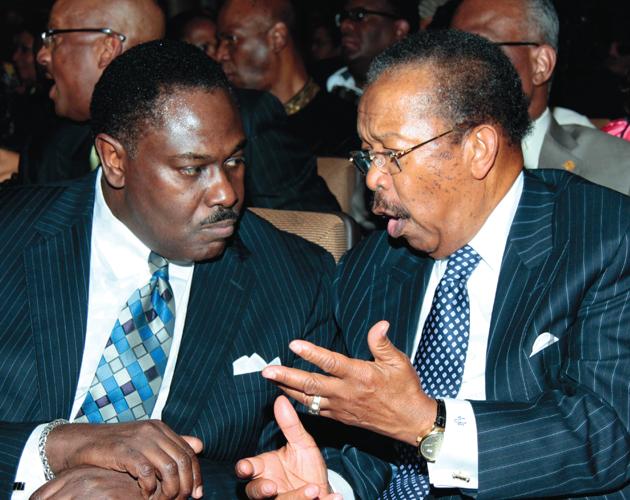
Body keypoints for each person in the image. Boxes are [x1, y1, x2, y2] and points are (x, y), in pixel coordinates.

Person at [236, 29, 630, 499]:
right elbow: (362, 436)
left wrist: (430, 424)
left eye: (392, 154)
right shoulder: (373, 265)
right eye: (368, 155)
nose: (373, 178)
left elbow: (606, 434)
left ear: (478, 149)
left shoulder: (603, 238)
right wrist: (329, 484)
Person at [0, 39, 337, 498]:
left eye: (235, 161)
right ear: (115, 160)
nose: (226, 193)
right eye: (192, 169)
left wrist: (154, 486)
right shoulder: (11, 236)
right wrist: (53, 447)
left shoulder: (296, 279)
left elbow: (301, 461)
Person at [13, 0, 339, 213]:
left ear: (107, 48)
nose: (42, 55)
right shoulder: (50, 148)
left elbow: (316, 239)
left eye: (54, 38)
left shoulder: (240, 123)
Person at [450, 0, 630, 195]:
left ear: (541, 64)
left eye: (479, 48)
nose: (456, 67)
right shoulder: (435, 157)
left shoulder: (617, 167)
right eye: (450, 51)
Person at [217, 0, 359, 158]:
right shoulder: (231, 125)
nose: (220, 54)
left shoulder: (344, 126)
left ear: (277, 38)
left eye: (231, 39)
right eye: (220, 42)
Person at [326, 0, 418, 104]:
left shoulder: (417, 100)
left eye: (359, 15)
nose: (344, 25)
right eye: (342, 17)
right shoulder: (320, 83)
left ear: (399, 30)